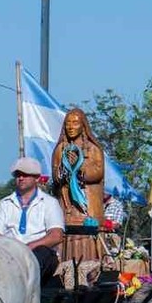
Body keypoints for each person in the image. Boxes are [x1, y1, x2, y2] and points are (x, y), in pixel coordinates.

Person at [0, 157, 64, 283]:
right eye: (18, 175)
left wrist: (29, 247)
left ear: (37, 178)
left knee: (41, 254)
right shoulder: (5, 203)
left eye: (25, 175)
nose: (21, 178)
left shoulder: (49, 203)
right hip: (10, 254)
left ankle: (20, 286)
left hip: (39, 254)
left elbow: (56, 236)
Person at [51, 108, 104, 262]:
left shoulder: (93, 149)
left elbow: (98, 173)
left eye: (75, 123)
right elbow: (55, 174)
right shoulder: (60, 149)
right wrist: (65, 171)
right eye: (68, 123)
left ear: (83, 126)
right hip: (67, 205)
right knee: (66, 235)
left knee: (85, 238)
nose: (71, 127)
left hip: (86, 206)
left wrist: (79, 169)